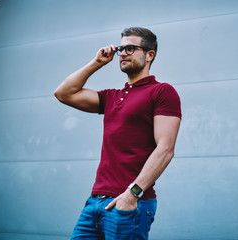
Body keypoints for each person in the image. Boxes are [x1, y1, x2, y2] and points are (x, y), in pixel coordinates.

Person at [54, 27, 182, 239]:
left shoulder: (161, 91)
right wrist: (97, 63)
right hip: (95, 203)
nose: (122, 53)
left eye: (131, 48)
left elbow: (166, 149)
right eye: (121, 48)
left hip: (130, 203)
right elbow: (63, 93)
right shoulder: (112, 97)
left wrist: (132, 194)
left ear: (149, 55)